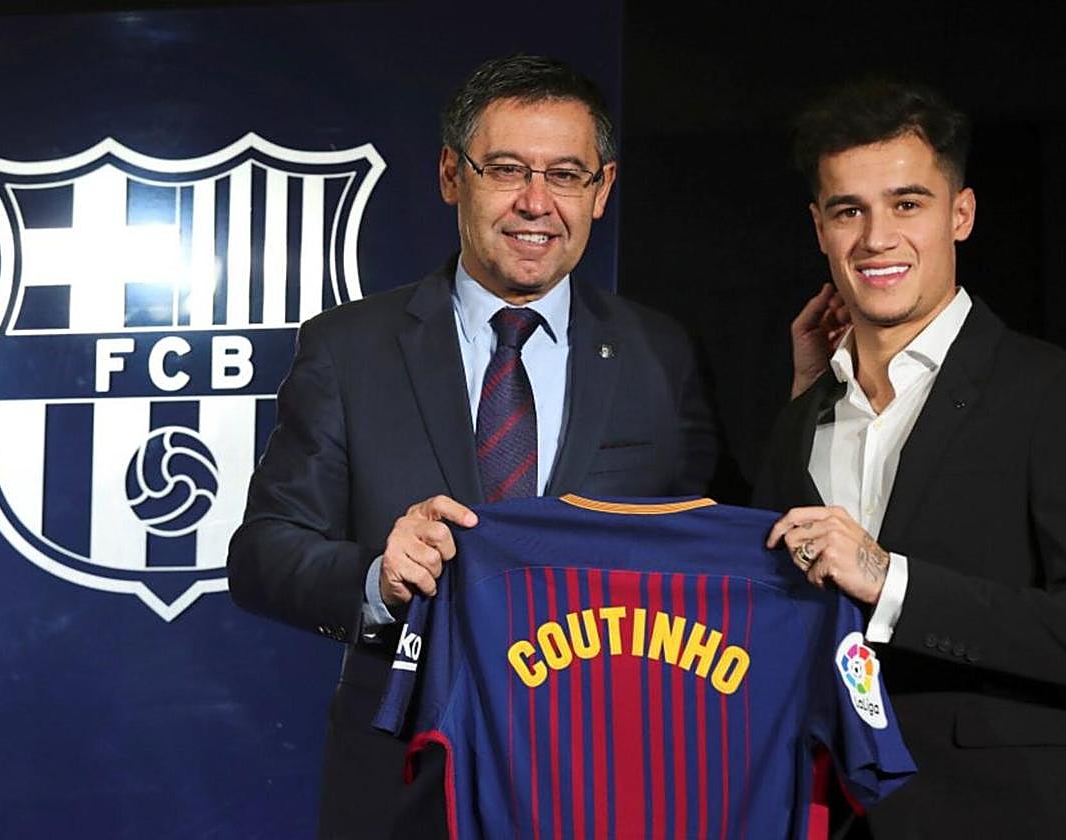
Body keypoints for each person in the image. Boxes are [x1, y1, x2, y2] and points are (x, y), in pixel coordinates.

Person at [227, 54, 724, 839]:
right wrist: (379, 580)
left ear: (602, 189)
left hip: (608, 773)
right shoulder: (349, 349)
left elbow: (713, 548)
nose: (536, 202)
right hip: (404, 774)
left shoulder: (660, 353)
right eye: (506, 169)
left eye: (565, 175)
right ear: (451, 175)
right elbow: (262, 555)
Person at [758, 79, 1066, 838]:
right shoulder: (802, 416)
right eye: (849, 211)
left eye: (907, 204)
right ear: (819, 228)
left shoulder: (1057, 392)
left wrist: (890, 581)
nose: (877, 238)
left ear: (961, 214)